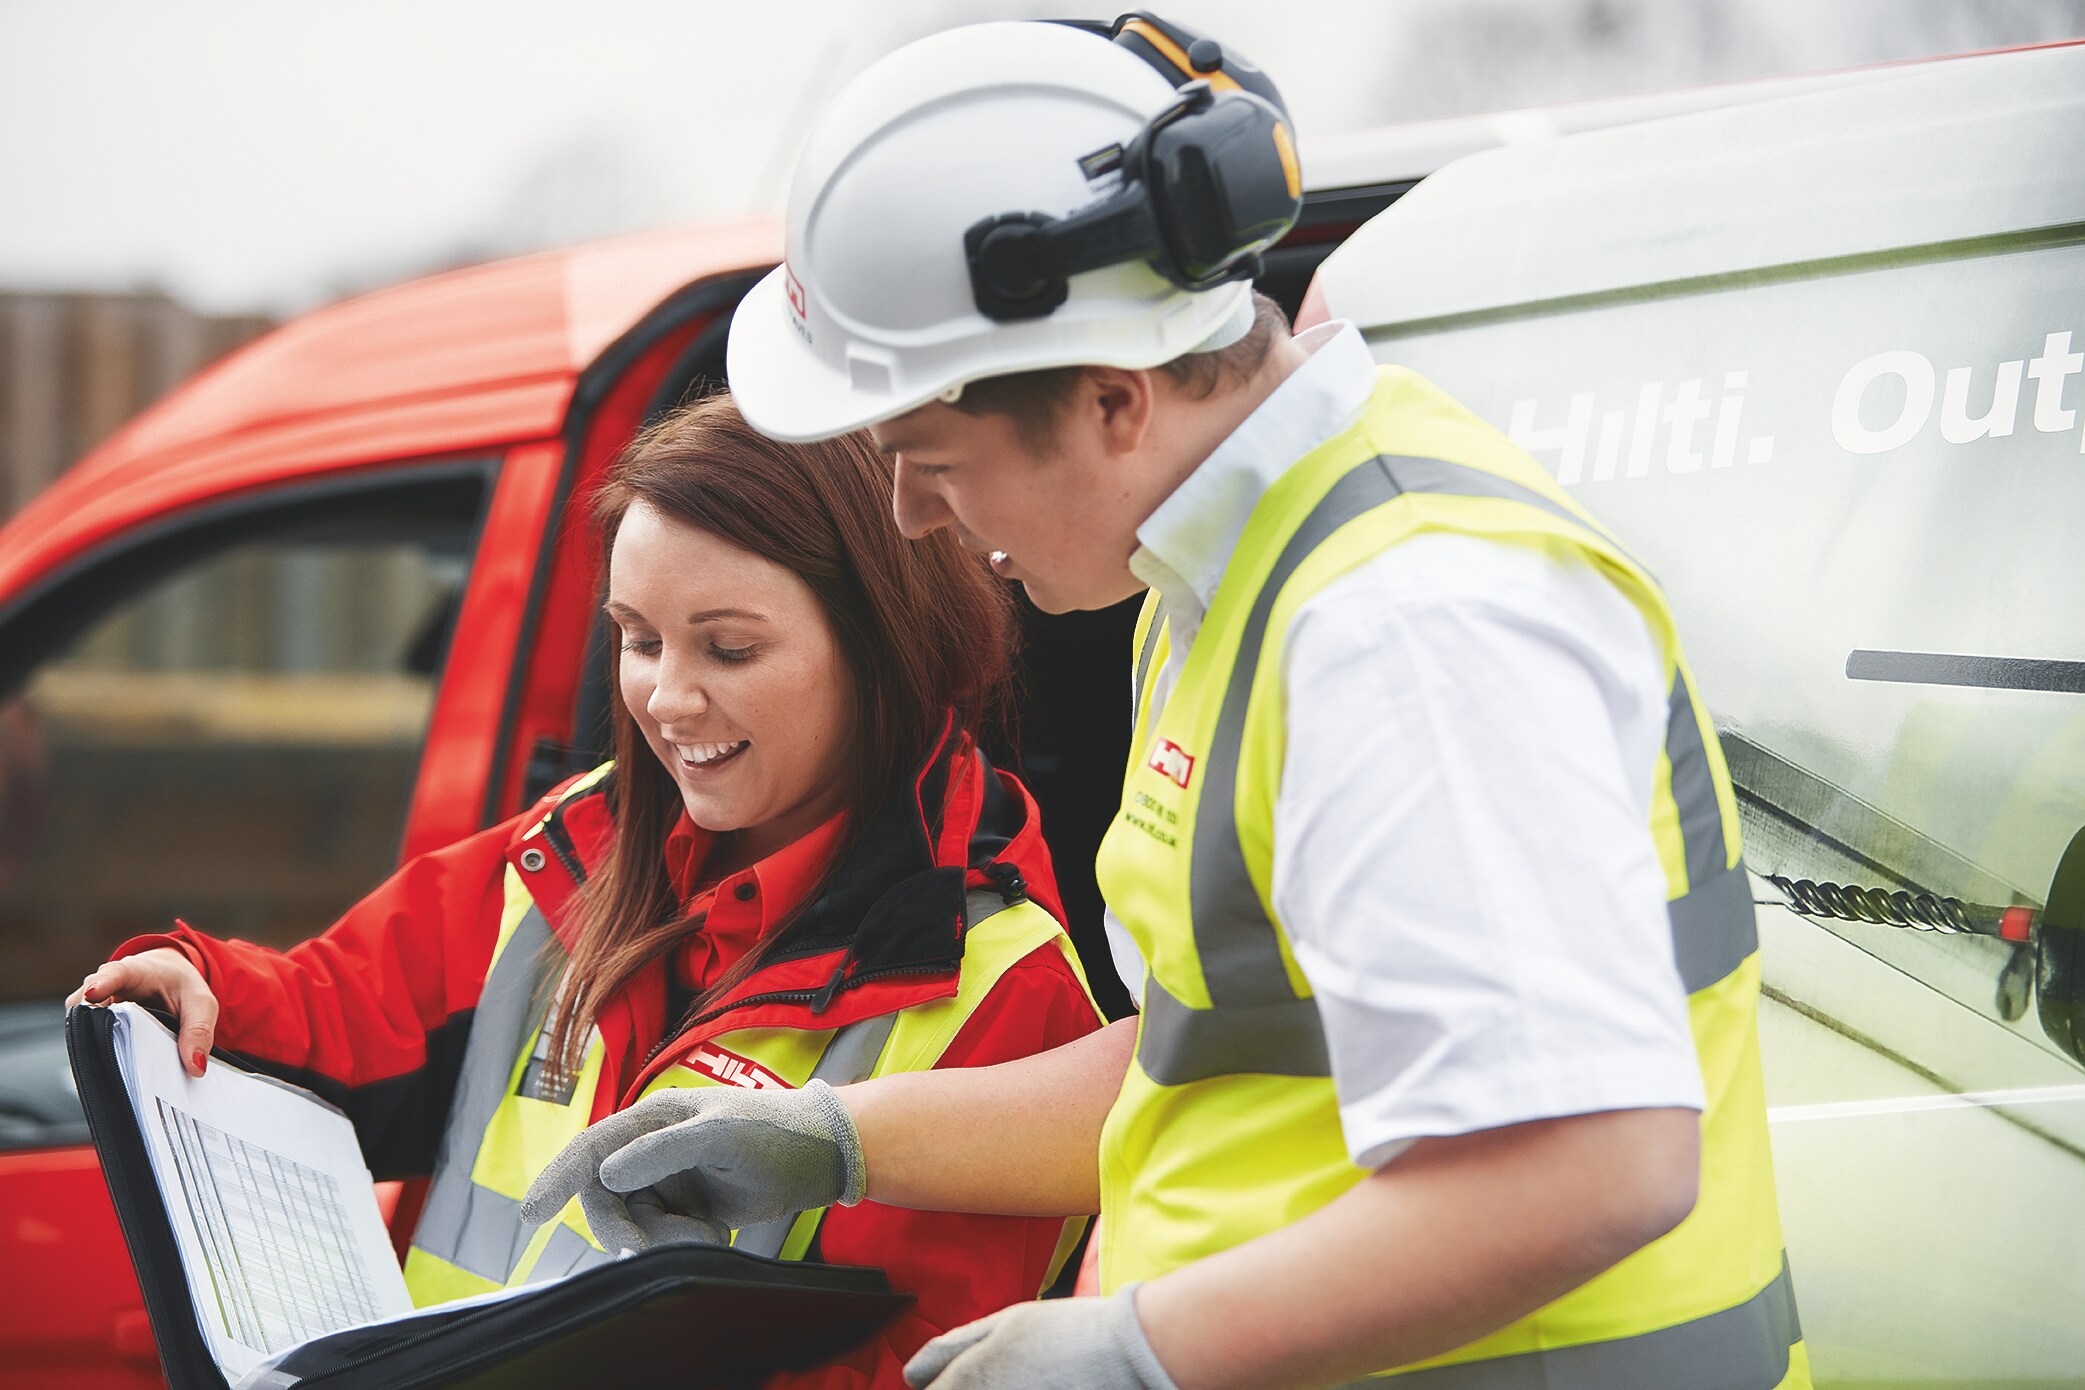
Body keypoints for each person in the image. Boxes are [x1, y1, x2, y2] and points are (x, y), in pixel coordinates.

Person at [525, 16, 1810, 1390]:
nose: (908, 515)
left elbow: (1589, 1165)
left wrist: (1144, 1348)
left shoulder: (1402, 629)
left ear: (1110, 401)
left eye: (930, 458)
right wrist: (838, 1133)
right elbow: (1205, 1061)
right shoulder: (1224, 582)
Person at [67, 395, 1102, 1388]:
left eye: (729, 647)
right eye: (638, 638)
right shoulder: (575, 841)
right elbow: (336, 1009)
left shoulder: (1011, 991)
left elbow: (926, 1364)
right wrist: (203, 987)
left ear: (885, 646)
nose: (665, 694)